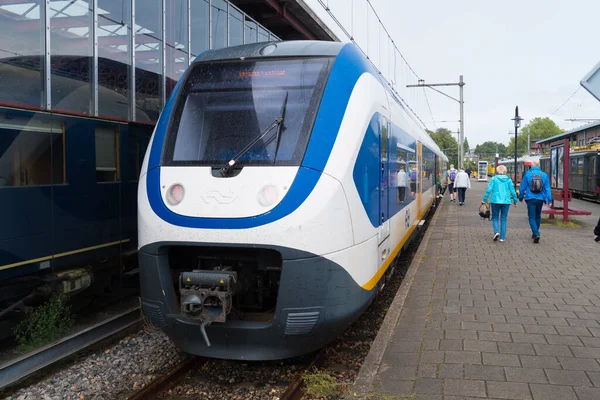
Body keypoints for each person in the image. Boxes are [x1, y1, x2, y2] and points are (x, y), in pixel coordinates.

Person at [519, 159, 552, 244]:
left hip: (530, 198)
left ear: (532, 165)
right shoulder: (544, 175)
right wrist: (550, 200)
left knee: (531, 217)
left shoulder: (528, 174)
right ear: (539, 166)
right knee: (538, 216)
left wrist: (521, 196)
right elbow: (547, 189)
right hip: (540, 199)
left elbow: (522, 186)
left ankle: (536, 233)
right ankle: (535, 233)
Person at [482, 165, 518, 242]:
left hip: (495, 201)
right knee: (503, 219)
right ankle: (502, 238)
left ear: (497, 171)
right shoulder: (508, 180)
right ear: (505, 171)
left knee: (495, 217)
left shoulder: (494, 179)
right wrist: (515, 201)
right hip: (506, 201)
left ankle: (496, 232)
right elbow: (513, 191)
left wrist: (484, 200)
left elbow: (489, 190)